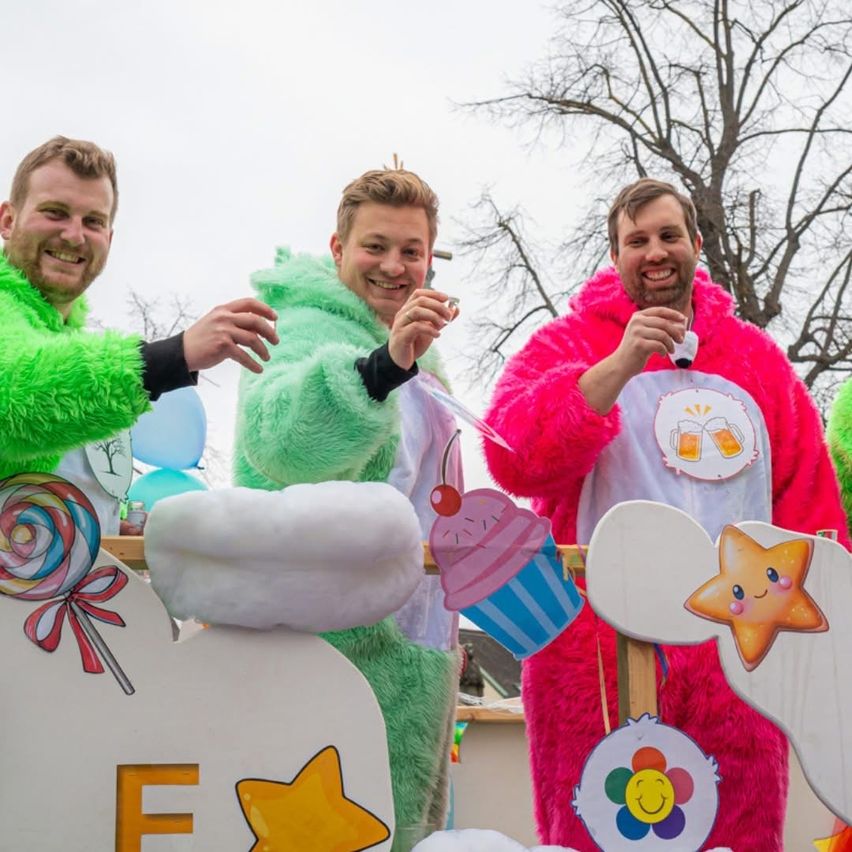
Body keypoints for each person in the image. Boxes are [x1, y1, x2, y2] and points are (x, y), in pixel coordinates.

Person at [483, 177, 849, 850]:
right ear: (614, 255)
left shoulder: (757, 361)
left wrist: (817, 639)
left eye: (668, 235)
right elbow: (512, 456)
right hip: (594, 655)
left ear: (696, 244)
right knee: (598, 833)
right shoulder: (566, 344)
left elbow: (806, 505)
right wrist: (619, 363)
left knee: (737, 835)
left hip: (736, 660)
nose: (655, 252)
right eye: (637, 240)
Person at [233, 168, 461, 842]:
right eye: (375, 247)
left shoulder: (424, 356)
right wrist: (379, 368)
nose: (394, 266)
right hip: (333, 654)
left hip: (414, 649)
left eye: (412, 251)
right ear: (338, 249)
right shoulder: (301, 329)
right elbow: (278, 442)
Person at [0, 136, 278, 532]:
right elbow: (15, 396)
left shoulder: (67, 346)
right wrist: (173, 355)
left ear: (109, 238)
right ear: (7, 221)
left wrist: (110, 525)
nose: (75, 235)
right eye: (55, 212)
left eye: (93, 221)